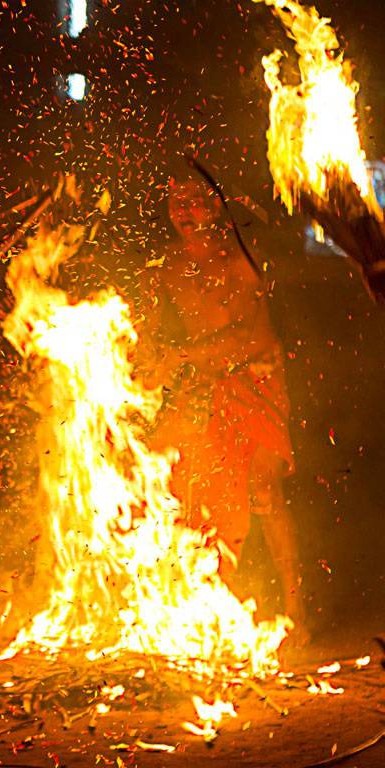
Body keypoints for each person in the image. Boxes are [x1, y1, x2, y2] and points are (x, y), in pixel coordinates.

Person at [141, 175, 308, 645]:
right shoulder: (166, 267)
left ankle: (298, 610)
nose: (184, 212)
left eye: (195, 202)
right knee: (196, 493)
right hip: (208, 386)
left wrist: (185, 357)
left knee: (263, 489)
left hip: (256, 379)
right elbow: (153, 331)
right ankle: (215, 612)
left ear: (215, 207)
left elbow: (250, 337)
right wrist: (150, 357)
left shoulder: (238, 257)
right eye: (176, 202)